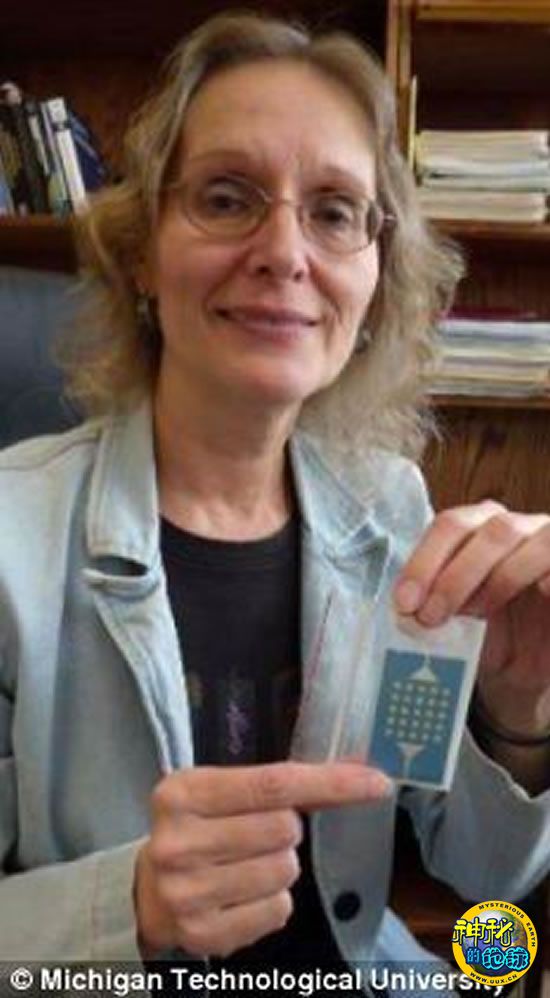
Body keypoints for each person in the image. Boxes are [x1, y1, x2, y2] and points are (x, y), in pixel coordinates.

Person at [0, 10, 549, 991]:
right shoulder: (9, 533)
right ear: (142, 250)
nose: (285, 251)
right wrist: (127, 904)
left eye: (335, 212)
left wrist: (518, 716)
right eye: (226, 197)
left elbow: (488, 874)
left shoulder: (392, 511)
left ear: (373, 277)